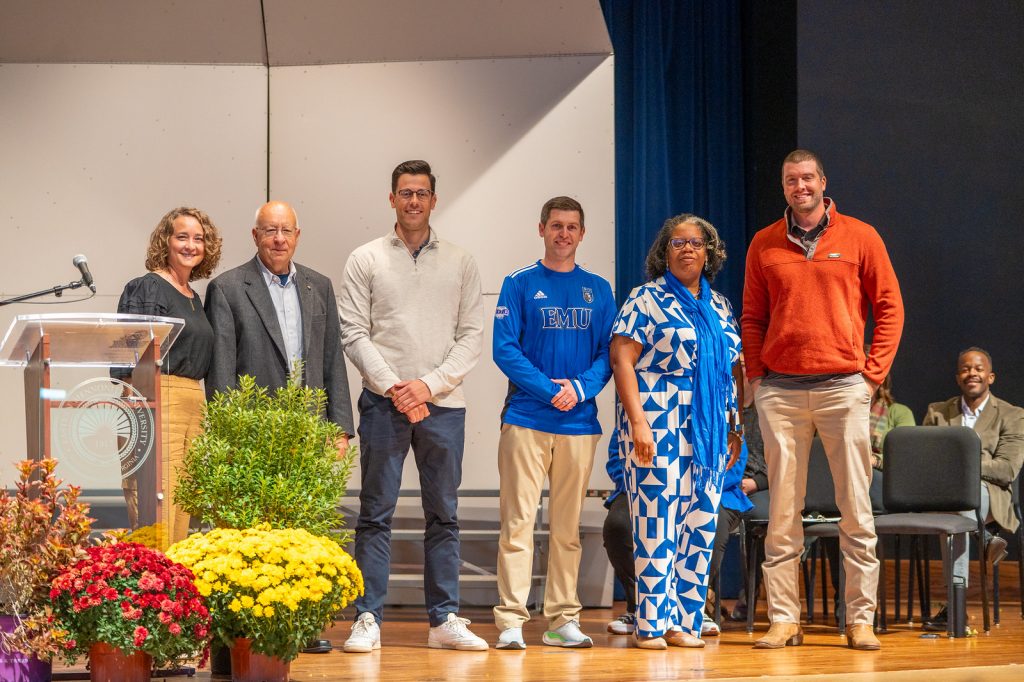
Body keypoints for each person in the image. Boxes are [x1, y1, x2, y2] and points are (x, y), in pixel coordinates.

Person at [742, 149, 904, 651]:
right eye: (791, 180)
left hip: (843, 388)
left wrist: (870, 378)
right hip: (781, 391)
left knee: (855, 508)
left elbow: (890, 307)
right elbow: (752, 317)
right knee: (782, 512)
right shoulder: (764, 242)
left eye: (807, 178)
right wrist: (757, 379)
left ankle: (860, 620)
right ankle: (784, 619)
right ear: (784, 187)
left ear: (823, 182)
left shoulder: (861, 236)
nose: (800, 187)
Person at [339, 160, 486, 652]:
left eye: (422, 193)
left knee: (444, 515)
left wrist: (426, 386)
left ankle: (444, 620)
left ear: (433, 200)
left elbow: (471, 337)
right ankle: (368, 617)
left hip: (444, 405)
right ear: (392, 199)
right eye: (405, 193)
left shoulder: (461, 261)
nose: (414, 201)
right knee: (375, 513)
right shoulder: (365, 258)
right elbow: (354, 333)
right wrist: (395, 388)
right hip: (383, 405)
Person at [204, 200, 354, 654]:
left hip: (309, 429)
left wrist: (340, 427)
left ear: (297, 235)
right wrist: (228, 433)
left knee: (304, 529)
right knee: (255, 531)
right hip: (254, 435)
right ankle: (252, 630)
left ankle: (299, 626)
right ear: (255, 236)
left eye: (286, 230)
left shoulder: (318, 285)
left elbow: (332, 360)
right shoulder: (228, 288)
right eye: (269, 231)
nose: (278, 239)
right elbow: (221, 369)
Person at [610, 213, 743, 650]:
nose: (688, 249)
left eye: (696, 243)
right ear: (664, 252)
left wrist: (735, 427)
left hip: (709, 429)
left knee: (699, 525)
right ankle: (651, 624)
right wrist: (638, 422)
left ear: (710, 252)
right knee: (656, 525)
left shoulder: (720, 306)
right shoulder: (645, 299)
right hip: (657, 421)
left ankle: (684, 622)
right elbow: (622, 360)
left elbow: (732, 371)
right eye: (678, 243)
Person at [491, 196, 616, 650]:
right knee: (518, 524)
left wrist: (579, 389)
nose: (564, 234)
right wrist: (550, 390)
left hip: (579, 424)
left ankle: (563, 619)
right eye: (556, 225)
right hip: (526, 418)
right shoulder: (518, 282)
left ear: (582, 234)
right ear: (541, 229)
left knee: (567, 529)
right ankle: (510, 620)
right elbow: (505, 349)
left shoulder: (599, 289)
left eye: (572, 227)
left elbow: (609, 353)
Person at [115, 207, 222, 548]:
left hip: (194, 401)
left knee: (184, 499)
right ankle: (153, 574)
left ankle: (174, 575)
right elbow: (126, 351)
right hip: (157, 395)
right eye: (182, 237)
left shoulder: (194, 297)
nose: (191, 245)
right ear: (166, 241)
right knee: (156, 496)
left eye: (198, 238)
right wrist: (134, 401)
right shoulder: (147, 287)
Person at [921, 347, 1024, 631]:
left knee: (962, 504)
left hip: (989, 494)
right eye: (966, 369)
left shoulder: (1012, 415)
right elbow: (925, 460)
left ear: (991, 377)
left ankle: (955, 605)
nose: (972, 374)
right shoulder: (937, 412)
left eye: (978, 369)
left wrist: (962, 462)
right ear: (958, 378)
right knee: (959, 507)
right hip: (940, 495)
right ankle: (985, 538)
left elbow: (1006, 469)